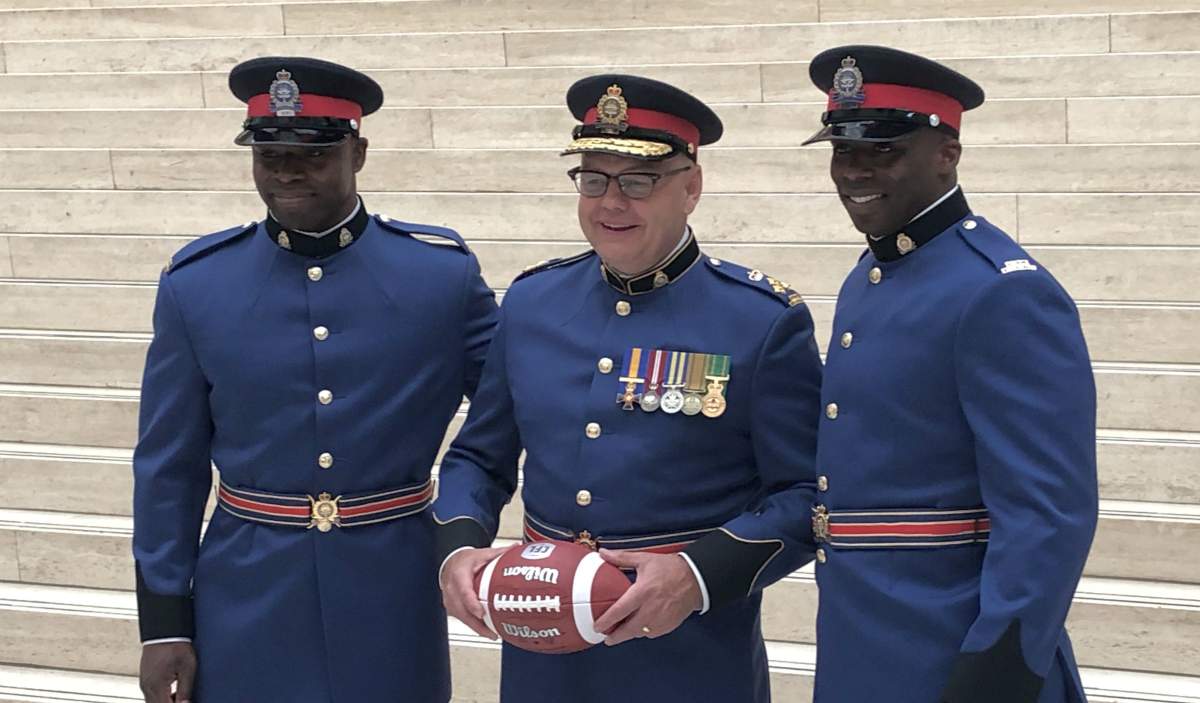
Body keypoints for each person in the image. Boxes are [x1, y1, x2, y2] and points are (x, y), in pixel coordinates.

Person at [432, 74, 824, 703]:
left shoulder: (760, 322)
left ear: (691, 188)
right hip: (541, 649)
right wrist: (456, 549)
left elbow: (807, 493)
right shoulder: (534, 303)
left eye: (638, 182)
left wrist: (697, 575)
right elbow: (479, 457)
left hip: (688, 651)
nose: (611, 203)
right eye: (593, 180)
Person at [132, 56, 499, 703]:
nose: (287, 171)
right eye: (268, 154)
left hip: (390, 588)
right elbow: (169, 467)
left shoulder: (439, 278)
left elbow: (509, 412)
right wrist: (164, 622)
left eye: (313, 152)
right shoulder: (198, 285)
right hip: (245, 589)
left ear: (359, 150)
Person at [802, 45, 1098, 703]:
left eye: (882, 150)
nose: (853, 171)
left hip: (952, 654)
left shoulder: (1000, 291)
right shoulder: (871, 275)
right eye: (841, 150)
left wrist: (999, 670)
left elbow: (1048, 514)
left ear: (947, 152)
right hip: (862, 646)